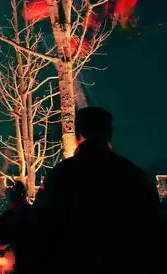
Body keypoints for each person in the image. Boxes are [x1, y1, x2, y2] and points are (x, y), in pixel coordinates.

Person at [34, 107, 162, 274]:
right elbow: (154, 230)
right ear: (109, 135)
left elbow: (40, 229)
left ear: (78, 136)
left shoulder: (59, 176)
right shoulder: (135, 176)